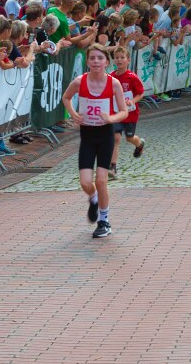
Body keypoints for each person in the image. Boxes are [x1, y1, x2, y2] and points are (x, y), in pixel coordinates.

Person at [59, 47, 128, 239]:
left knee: (101, 180)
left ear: (107, 62)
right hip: (87, 136)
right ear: (87, 61)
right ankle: (93, 198)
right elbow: (66, 97)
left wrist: (111, 118)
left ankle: (104, 221)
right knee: (85, 182)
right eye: (92, 58)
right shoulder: (79, 81)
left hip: (105, 135)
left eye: (100, 58)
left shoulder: (113, 83)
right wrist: (73, 114)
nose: (96, 61)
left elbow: (124, 111)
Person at [107, 46, 146, 179]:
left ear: (128, 60)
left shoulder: (132, 77)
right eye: (117, 58)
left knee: (129, 138)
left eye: (122, 58)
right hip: (116, 113)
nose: (119, 60)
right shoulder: (111, 77)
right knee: (116, 138)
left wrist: (133, 101)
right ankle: (112, 168)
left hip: (130, 114)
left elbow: (140, 93)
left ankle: (139, 144)